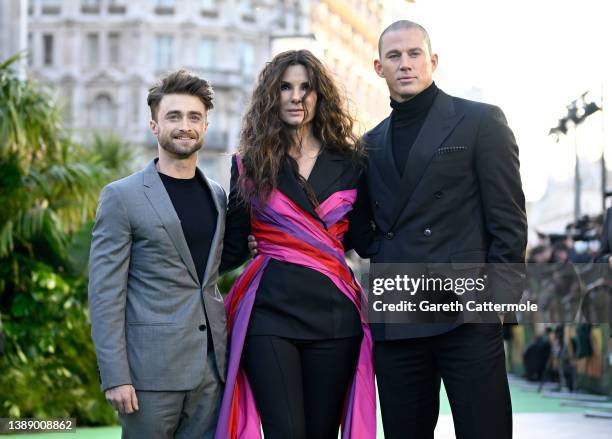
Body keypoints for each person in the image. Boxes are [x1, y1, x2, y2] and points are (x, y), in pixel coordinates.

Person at [363, 21, 527, 439]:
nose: (406, 64)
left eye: (414, 54)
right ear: (379, 67)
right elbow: (358, 224)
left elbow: (508, 220)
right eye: (395, 57)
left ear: (432, 61)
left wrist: (498, 305)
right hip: (398, 312)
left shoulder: (480, 121)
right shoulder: (369, 143)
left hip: (467, 315)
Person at [215, 50, 376, 439]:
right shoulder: (248, 164)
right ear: (272, 95)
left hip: (335, 315)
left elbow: (364, 240)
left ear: (319, 97)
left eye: (306, 88)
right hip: (269, 313)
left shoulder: (352, 162)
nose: (295, 96)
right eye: (285, 87)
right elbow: (232, 246)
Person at [88, 70, 227, 439]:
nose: (185, 126)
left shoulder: (217, 195)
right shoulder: (122, 196)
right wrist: (115, 376)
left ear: (206, 124)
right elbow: (105, 295)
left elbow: (206, 271)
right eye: (174, 116)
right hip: (148, 377)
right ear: (154, 125)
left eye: (194, 117)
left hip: (211, 373)